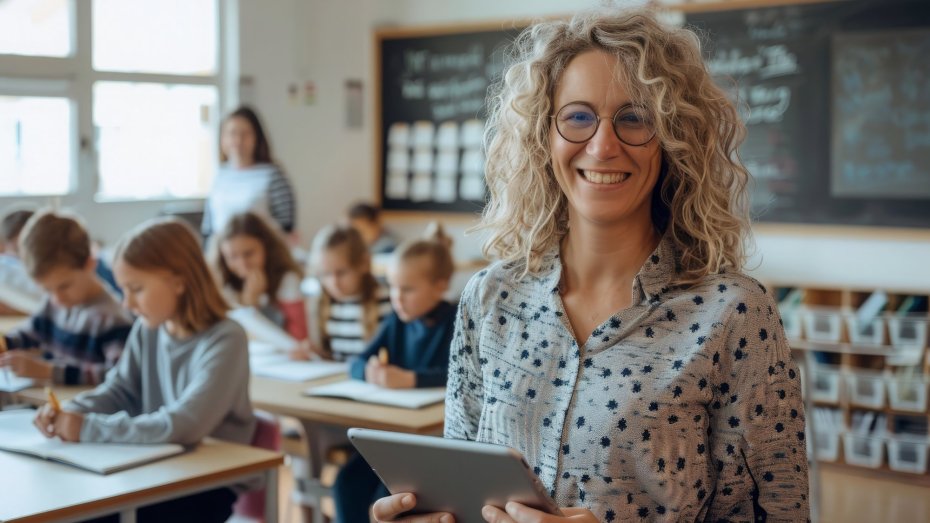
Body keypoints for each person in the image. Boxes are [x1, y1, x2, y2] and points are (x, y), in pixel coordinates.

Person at [374, 8, 809, 523]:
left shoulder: (733, 314)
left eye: (635, 118)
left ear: (673, 138)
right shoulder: (489, 299)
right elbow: (459, 491)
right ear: (544, 135)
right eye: (578, 116)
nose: (603, 146)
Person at [33, 218, 256, 523]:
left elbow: (185, 425)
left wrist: (86, 427)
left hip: (206, 483)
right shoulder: (147, 328)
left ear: (179, 281)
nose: (127, 302)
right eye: (124, 289)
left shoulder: (226, 338)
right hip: (154, 467)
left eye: (136, 288)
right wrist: (69, 411)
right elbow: (120, 390)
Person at [333, 223, 456, 523]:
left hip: (427, 443)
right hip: (390, 435)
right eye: (392, 287)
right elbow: (357, 362)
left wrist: (411, 379)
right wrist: (371, 372)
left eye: (408, 289)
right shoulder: (396, 322)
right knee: (346, 484)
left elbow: (457, 374)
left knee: (384, 497)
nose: (397, 298)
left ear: (440, 285)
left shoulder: (456, 320)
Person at [0, 211, 133, 386]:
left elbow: (119, 376)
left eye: (64, 286)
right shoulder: (54, 304)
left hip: (87, 410)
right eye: (47, 289)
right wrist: (5, 343)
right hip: (53, 406)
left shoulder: (112, 318)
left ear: (90, 264)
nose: (57, 298)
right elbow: (32, 332)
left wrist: (48, 371)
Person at [295, 224, 392, 361]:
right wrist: (315, 354)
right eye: (326, 274)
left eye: (341, 273)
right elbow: (337, 359)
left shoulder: (387, 301)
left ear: (364, 263)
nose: (334, 282)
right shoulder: (323, 304)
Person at [201, 105, 297, 243]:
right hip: (222, 255)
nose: (238, 140)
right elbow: (208, 228)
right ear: (223, 138)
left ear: (257, 137)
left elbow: (286, 226)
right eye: (232, 133)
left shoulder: (272, 175)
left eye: (245, 134)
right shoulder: (219, 175)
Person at [212, 211, 308, 341]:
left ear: (267, 247)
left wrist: (254, 303)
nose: (242, 264)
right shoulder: (224, 284)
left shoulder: (287, 280)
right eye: (232, 257)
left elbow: (298, 337)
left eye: (249, 254)